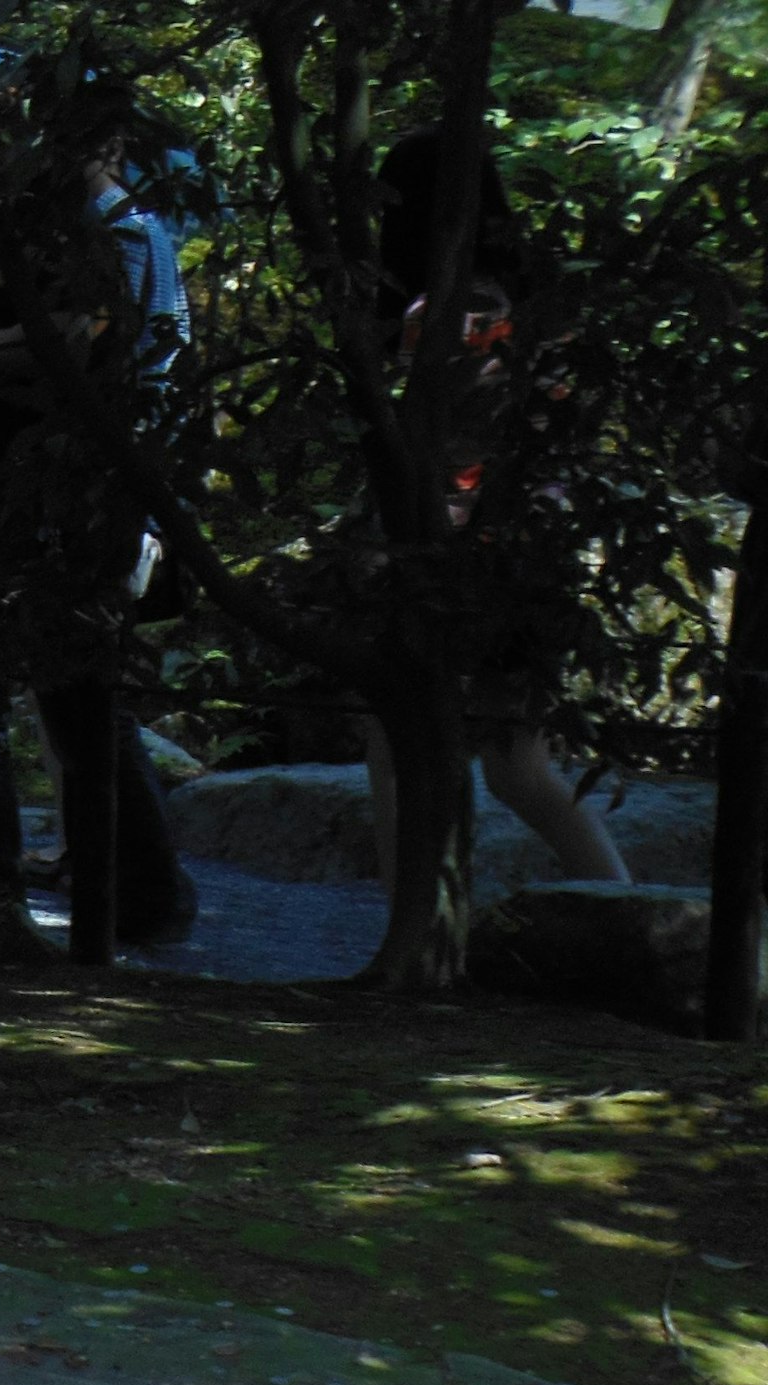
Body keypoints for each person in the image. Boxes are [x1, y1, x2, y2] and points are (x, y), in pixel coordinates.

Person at [0, 124, 200, 953]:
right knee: (62, 704)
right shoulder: (87, 233)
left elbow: (89, 339)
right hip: (42, 495)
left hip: (70, 501)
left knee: (40, 698)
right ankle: (114, 897)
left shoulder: (123, 233)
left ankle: (79, 898)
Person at [351, 127, 628, 885]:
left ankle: (421, 930)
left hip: (465, 544)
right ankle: (629, 914)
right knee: (518, 765)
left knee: (403, 738)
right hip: (530, 535)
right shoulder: (531, 292)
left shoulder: (453, 306)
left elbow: (447, 433)